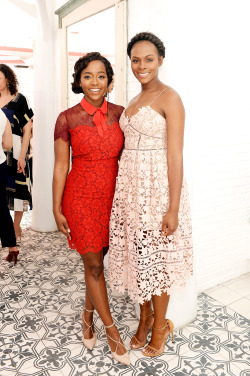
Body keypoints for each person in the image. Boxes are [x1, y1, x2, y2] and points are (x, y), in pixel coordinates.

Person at [108, 32, 193, 357]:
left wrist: (172, 208)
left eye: (148, 59)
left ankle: (160, 326)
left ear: (160, 61)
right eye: (135, 60)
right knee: (138, 257)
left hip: (158, 191)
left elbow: (175, 155)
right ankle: (144, 319)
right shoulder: (132, 102)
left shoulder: (170, 98)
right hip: (131, 192)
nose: (141, 66)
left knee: (157, 260)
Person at [53, 52, 129, 366]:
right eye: (87, 76)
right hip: (80, 197)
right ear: (79, 80)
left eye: (101, 76)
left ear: (110, 80)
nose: (94, 82)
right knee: (94, 265)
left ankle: (88, 314)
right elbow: (60, 166)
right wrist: (56, 208)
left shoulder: (122, 114)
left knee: (97, 261)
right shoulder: (66, 118)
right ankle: (111, 332)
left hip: (113, 196)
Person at [0, 64, 33, 242]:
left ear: (7, 79)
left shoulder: (20, 100)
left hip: (16, 148)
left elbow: (27, 129)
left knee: (19, 188)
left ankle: (15, 228)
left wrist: (22, 155)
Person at [0, 109, 19, 264]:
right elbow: (8, 144)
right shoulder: (2, 114)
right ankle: (12, 247)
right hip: (0, 164)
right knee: (1, 207)